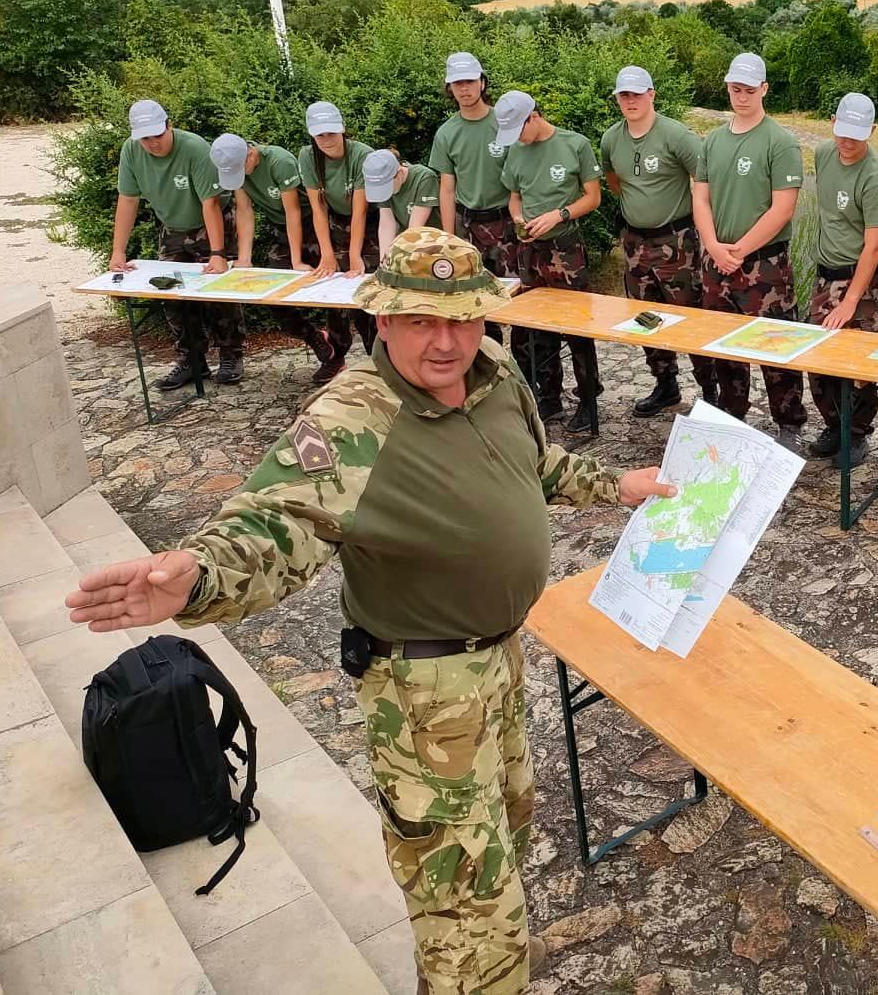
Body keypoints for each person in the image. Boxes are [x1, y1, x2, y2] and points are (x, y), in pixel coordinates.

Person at [63, 227, 671, 995]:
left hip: (500, 661)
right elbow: (279, 520)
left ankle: (478, 963)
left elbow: (532, 461)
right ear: (382, 318)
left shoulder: (495, 369)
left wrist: (613, 484)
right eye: (421, 320)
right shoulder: (354, 416)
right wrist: (201, 575)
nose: (446, 341)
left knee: (500, 844)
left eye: (461, 318)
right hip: (425, 692)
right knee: (463, 905)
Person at [690, 52, 808, 446]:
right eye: (735, 89)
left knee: (777, 347)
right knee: (723, 347)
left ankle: (789, 423)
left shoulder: (780, 142)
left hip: (764, 264)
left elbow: (783, 207)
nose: (741, 97)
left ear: (764, 90)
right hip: (716, 262)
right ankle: (732, 414)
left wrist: (739, 251)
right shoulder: (713, 141)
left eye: (749, 90)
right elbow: (700, 197)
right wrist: (712, 245)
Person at [599, 65, 714, 417]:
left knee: (690, 316)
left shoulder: (676, 136)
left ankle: (711, 391)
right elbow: (614, 181)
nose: (630, 101)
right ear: (617, 99)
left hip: (676, 242)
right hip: (635, 243)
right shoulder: (611, 138)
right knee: (645, 317)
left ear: (651, 94)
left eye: (637, 94)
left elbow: (706, 180)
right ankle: (665, 384)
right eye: (624, 95)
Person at [108, 99, 246, 388]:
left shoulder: (194, 148)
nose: (153, 143)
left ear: (169, 125)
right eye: (145, 138)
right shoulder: (131, 151)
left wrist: (217, 253)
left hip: (211, 224)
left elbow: (210, 203)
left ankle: (231, 355)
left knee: (219, 293)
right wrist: (118, 251)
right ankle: (192, 362)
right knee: (172, 294)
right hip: (173, 227)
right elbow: (128, 200)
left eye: (157, 135)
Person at [500, 92, 604, 431]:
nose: (517, 139)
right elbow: (514, 197)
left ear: (533, 117)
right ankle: (548, 397)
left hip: (565, 248)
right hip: (531, 250)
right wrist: (518, 219)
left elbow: (593, 197)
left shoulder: (574, 144)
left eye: (519, 130)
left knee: (577, 327)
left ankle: (588, 399)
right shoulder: (516, 151)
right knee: (534, 326)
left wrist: (559, 215)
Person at [805, 92, 878, 469]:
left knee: (858, 365)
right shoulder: (823, 154)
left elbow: (874, 247)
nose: (847, 141)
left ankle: (857, 433)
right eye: (842, 131)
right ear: (832, 122)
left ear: (871, 131)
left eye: (857, 135)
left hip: (862, 280)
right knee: (817, 357)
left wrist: (850, 301)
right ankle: (834, 425)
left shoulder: (877, 177)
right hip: (825, 275)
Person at [209, 132, 339, 382]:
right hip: (281, 229)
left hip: (313, 224)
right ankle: (314, 337)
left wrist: (296, 261)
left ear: (250, 154)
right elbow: (244, 210)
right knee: (273, 297)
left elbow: (293, 212)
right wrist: (244, 259)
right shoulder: (237, 170)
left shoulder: (279, 161)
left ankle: (337, 356)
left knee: (329, 290)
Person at [429, 52, 522, 356]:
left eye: (469, 81)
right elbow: (447, 188)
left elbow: (523, 175)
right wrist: (448, 238)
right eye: (457, 83)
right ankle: (488, 360)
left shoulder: (504, 123)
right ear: (450, 88)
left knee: (519, 299)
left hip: (508, 223)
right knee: (475, 302)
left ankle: (525, 370)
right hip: (469, 227)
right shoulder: (447, 133)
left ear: (482, 83)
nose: (464, 88)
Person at [299, 100, 378, 361]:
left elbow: (360, 210)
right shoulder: (307, 156)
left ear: (342, 128)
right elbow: (318, 207)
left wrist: (354, 254)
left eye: (331, 132)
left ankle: (378, 359)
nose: (327, 139)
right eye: (320, 135)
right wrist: (327, 253)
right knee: (333, 294)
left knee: (365, 293)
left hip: (369, 224)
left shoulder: (362, 155)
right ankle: (335, 357)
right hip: (333, 222)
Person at [362, 149, 442, 256]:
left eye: (386, 188)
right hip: (406, 240)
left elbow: (414, 229)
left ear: (399, 173)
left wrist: (403, 258)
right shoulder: (384, 180)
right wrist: (384, 260)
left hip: (435, 242)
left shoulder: (424, 178)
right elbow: (387, 225)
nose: (383, 192)